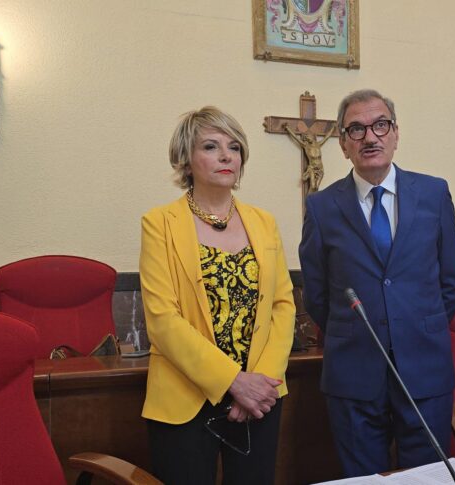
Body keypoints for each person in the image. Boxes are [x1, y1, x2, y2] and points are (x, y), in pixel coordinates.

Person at [299, 89, 455, 476]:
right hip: (353, 371)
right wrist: (359, 329)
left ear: (395, 134)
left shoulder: (434, 194)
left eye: (380, 125)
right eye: (356, 129)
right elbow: (317, 295)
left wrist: (416, 326)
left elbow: (454, 282)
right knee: (364, 481)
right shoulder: (322, 208)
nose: (370, 137)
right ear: (343, 144)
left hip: (425, 367)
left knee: (427, 480)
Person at [139, 106, 296, 485]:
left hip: (259, 397)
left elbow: (282, 305)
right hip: (185, 398)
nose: (226, 156)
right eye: (211, 146)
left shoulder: (264, 222)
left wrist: (259, 383)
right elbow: (162, 320)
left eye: (234, 147)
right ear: (186, 159)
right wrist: (232, 381)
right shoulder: (159, 223)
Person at [283, 121, 334, 195]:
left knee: (316, 188)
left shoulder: (318, 144)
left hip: (320, 169)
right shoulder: (306, 146)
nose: (307, 138)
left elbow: (327, 137)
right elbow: (296, 138)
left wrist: (333, 128)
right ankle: (308, 201)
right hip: (312, 168)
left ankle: (312, 201)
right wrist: (288, 128)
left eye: (308, 136)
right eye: (306, 137)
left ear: (312, 137)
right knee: (313, 186)